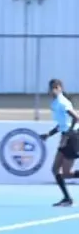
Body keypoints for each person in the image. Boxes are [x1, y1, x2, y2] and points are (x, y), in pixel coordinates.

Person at [40, 78, 79, 207]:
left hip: (72, 137)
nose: (53, 90)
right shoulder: (55, 104)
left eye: (56, 87)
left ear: (60, 88)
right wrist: (49, 134)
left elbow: (76, 118)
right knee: (55, 169)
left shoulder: (62, 102)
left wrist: (68, 134)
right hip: (66, 136)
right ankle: (67, 198)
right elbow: (62, 124)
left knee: (67, 174)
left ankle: (68, 199)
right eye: (52, 88)